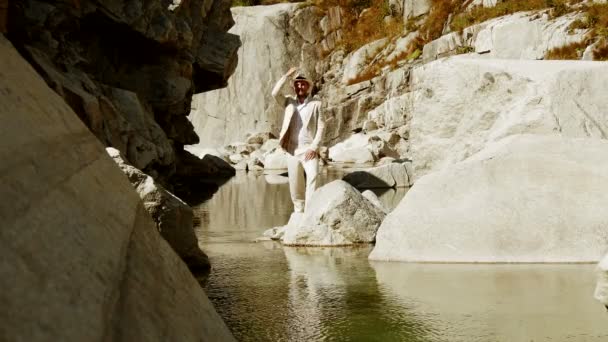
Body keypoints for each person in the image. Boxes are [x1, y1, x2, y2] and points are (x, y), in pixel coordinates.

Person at [271, 67, 325, 213]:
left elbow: (321, 127)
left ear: (308, 86)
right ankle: (299, 213)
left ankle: (310, 211)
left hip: (309, 149)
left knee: (313, 176)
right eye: (297, 84)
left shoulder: (316, 104)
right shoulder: (288, 101)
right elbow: (274, 93)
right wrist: (287, 75)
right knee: (295, 186)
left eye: (302, 84)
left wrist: (314, 147)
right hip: (292, 150)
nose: (299, 86)